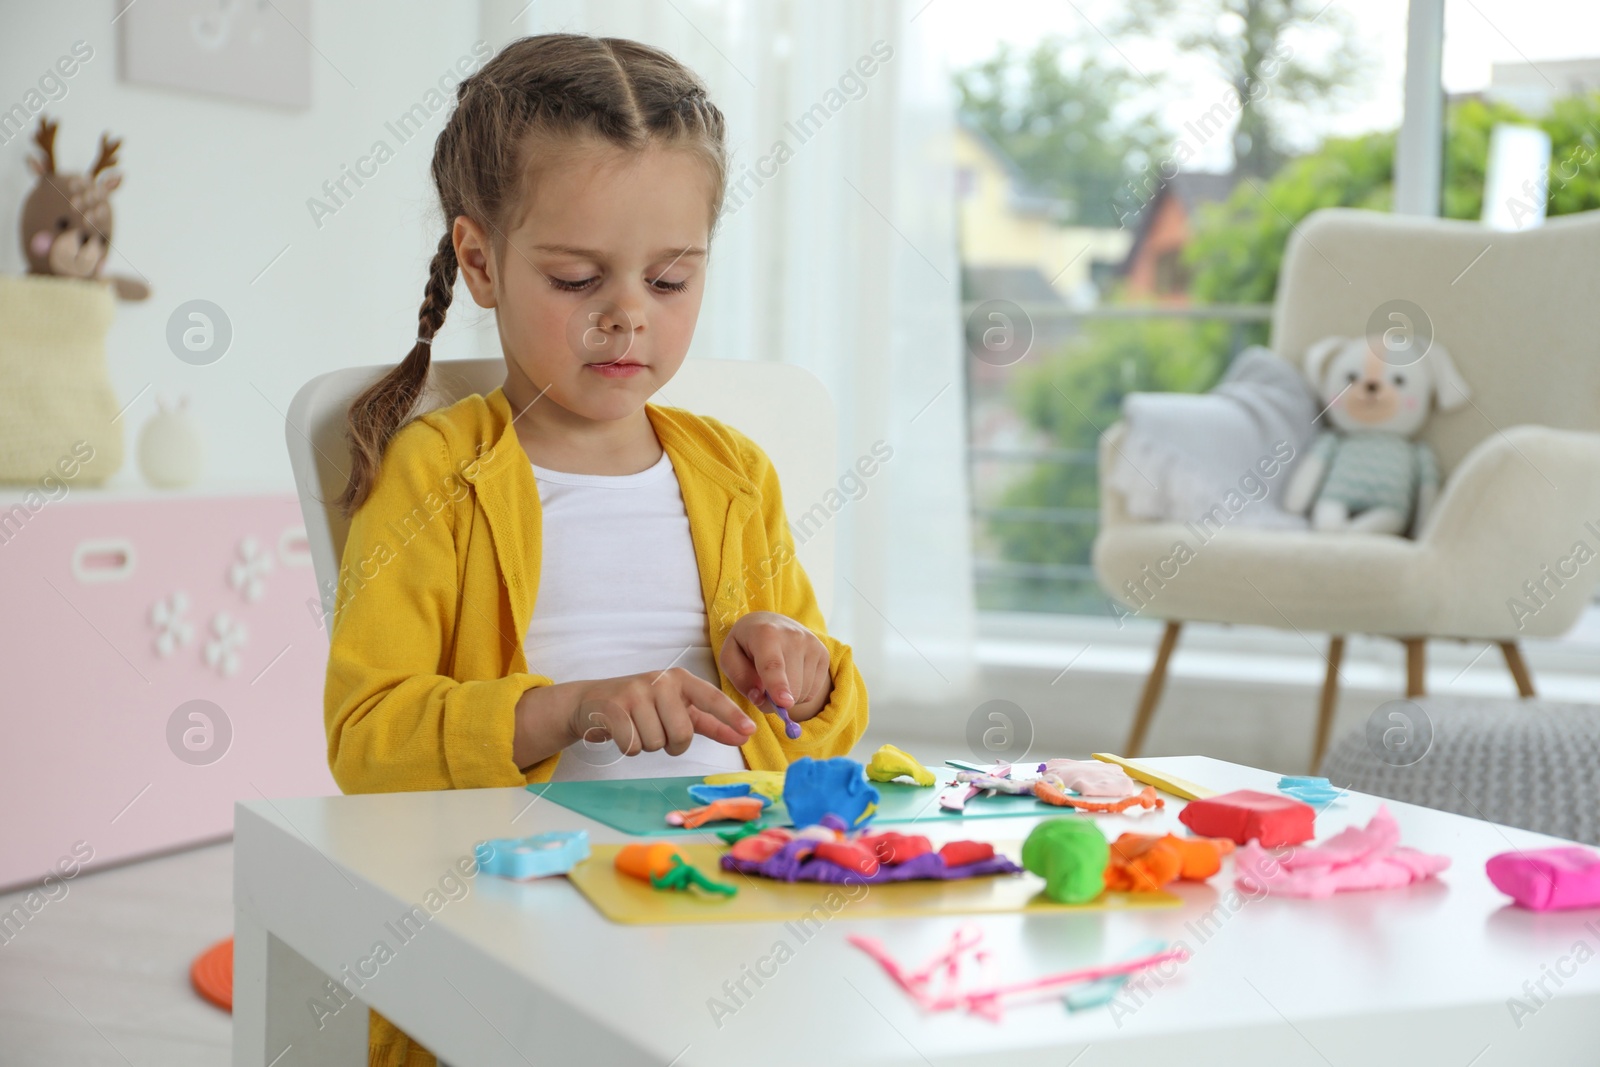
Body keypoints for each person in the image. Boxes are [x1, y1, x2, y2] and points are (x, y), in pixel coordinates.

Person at [323, 33, 869, 1066]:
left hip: (729, 893)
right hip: (517, 915)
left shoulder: (734, 473)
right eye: (577, 277)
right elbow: (367, 736)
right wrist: (567, 707)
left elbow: (817, 739)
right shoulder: (436, 470)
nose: (627, 314)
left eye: (669, 281)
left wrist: (798, 663)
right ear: (479, 260)